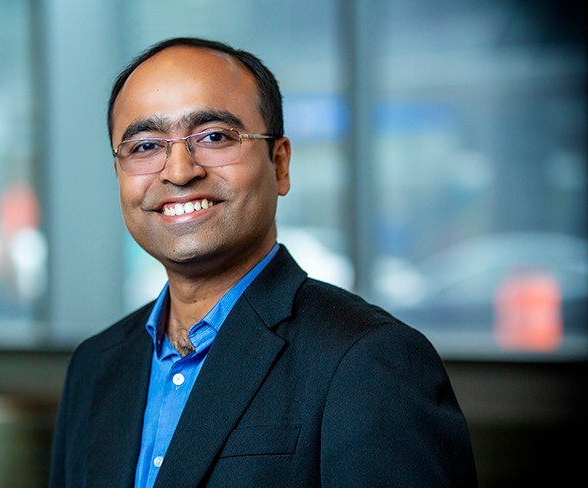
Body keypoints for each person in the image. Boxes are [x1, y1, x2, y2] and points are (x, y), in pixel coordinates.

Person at [49, 37, 478, 488]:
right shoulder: (95, 367)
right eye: (144, 146)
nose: (178, 171)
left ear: (280, 164)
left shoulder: (368, 361)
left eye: (214, 137)